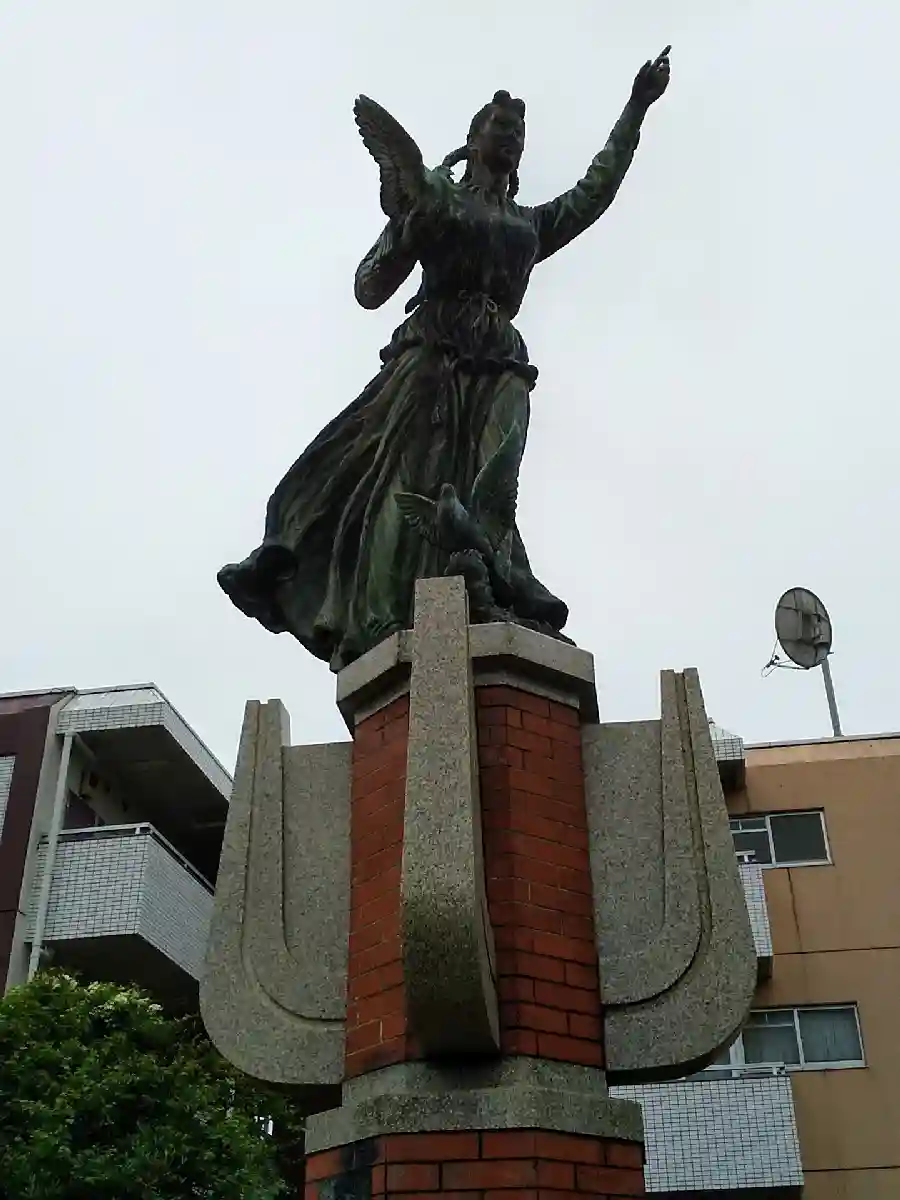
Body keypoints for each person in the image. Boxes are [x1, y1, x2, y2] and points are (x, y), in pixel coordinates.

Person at [218, 49, 671, 672]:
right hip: (432, 355)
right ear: (474, 140)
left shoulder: (530, 224)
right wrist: (408, 225)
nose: (511, 137)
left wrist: (636, 107)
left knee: (495, 479)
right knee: (409, 478)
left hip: (501, 362)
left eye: (519, 132)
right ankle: (381, 615)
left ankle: (491, 588)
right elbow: (370, 286)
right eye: (500, 127)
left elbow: (595, 190)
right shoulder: (440, 200)